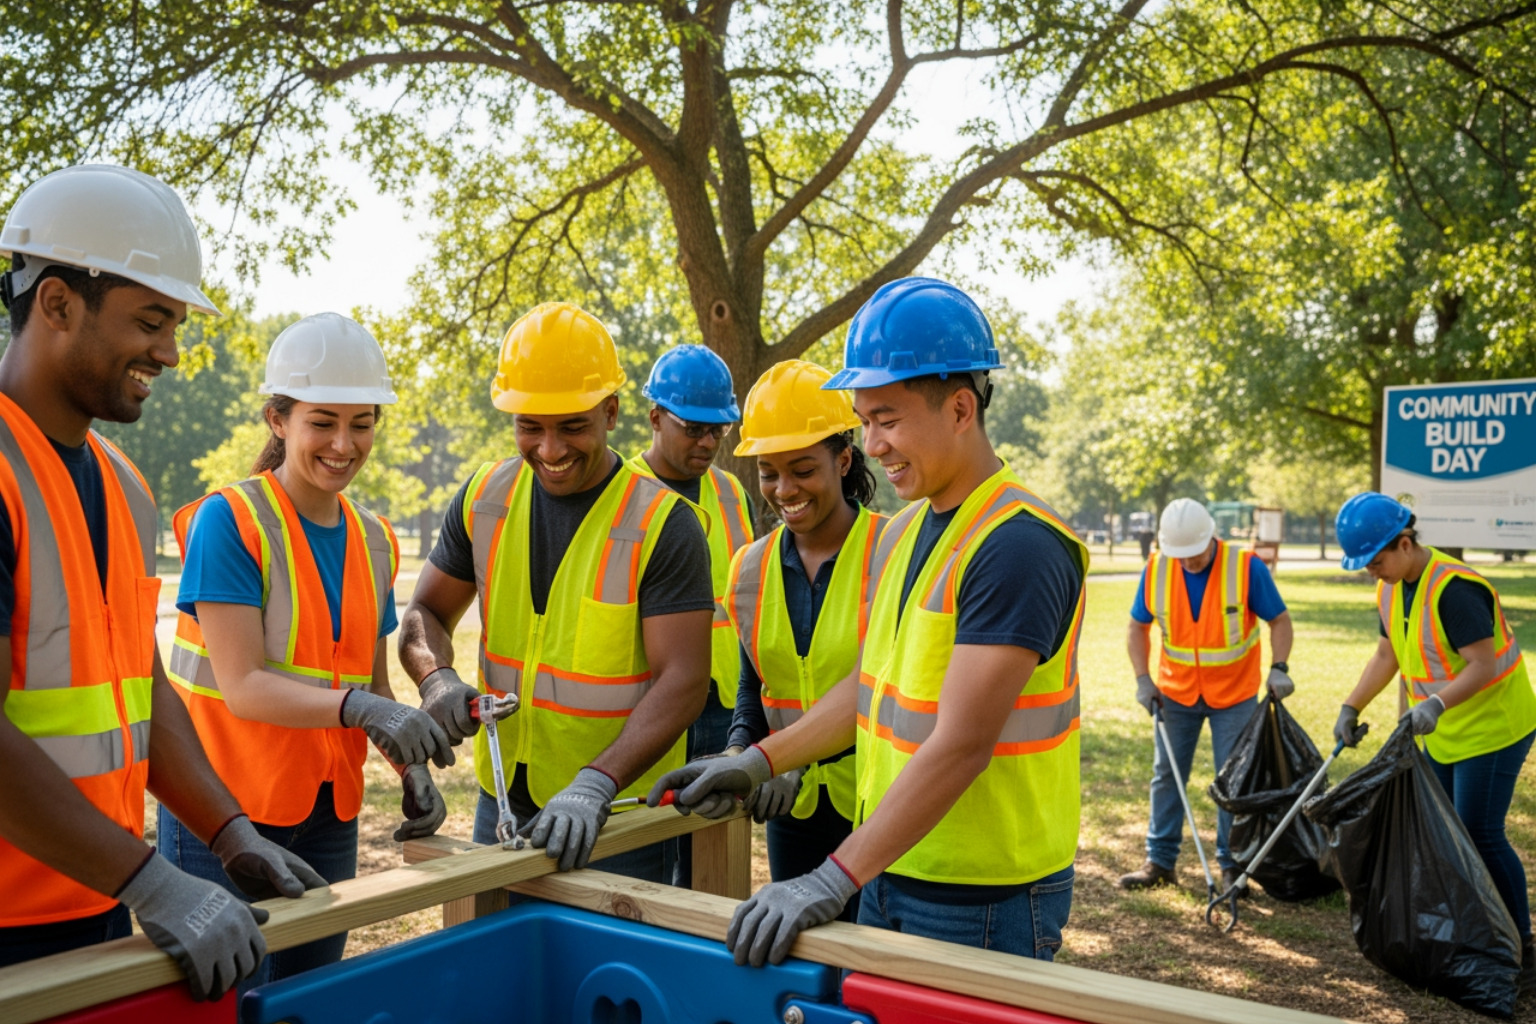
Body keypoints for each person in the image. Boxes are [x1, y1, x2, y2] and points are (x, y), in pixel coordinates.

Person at [650, 277, 1087, 966]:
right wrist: (754, 762)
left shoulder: (1018, 544)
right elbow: (868, 688)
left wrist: (832, 876)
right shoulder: (912, 531)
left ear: (961, 408)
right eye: (865, 422)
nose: (874, 445)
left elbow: (963, 743)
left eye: (886, 418)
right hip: (895, 858)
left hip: (981, 890)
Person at [0, 165, 322, 1000]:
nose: (170, 354)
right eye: (151, 321)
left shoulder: (121, 480)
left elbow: (132, 682)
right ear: (58, 303)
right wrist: (152, 880)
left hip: (96, 894)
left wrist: (226, 829)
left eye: (174, 325)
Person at [163, 313, 451, 987]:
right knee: (233, 1001)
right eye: (323, 422)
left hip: (327, 816)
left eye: (362, 422)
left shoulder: (374, 537)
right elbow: (244, 685)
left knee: (307, 999)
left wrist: (409, 770)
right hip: (223, 814)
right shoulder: (230, 521)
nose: (344, 444)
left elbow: (370, 685)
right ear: (278, 419)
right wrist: (363, 711)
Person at [400, 302, 713, 880]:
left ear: (612, 411)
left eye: (572, 426)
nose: (549, 449)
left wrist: (598, 782)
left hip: (619, 814)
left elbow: (685, 681)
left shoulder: (665, 522)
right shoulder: (484, 496)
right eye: (530, 427)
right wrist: (435, 676)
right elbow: (425, 614)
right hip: (502, 800)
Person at [1334, 491, 1536, 981]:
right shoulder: (1390, 586)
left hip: (1494, 727)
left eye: (1376, 560)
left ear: (1405, 543)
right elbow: (1388, 655)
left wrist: (1435, 703)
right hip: (1443, 729)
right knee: (1447, 835)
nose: (1371, 571)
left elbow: (1483, 665)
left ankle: (1525, 951)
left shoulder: (1455, 590)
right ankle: (1478, 930)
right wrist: (1351, 704)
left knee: (1480, 833)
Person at [716, 360, 885, 918]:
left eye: (802, 469)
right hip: (790, 816)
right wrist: (741, 756)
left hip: (878, 808)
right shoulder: (749, 568)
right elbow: (753, 692)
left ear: (843, 459)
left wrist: (791, 762)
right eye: (769, 472)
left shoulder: (895, 551)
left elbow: (894, 695)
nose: (783, 490)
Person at [1119, 498, 1294, 897]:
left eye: (1194, 554)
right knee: (1168, 776)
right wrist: (1143, 679)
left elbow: (1279, 620)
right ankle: (1160, 861)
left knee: (1232, 782)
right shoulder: (1158, 568)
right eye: (1179, 555)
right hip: (1174, 694)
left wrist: (1279, 668)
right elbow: (1136, 626)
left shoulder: (1245, 567)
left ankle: (1232, 866)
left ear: (1211, 537)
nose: (1188, 562)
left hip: (1234, 695)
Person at [628, 343, 755, 757]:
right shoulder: (620, 494)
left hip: (726, 704)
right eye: (693, 427)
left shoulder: (733, 493)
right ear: (655, 418)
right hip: (649, 702)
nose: (707, 441)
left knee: (717, 821)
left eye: (718, 430)